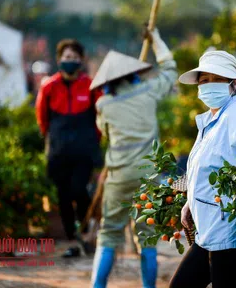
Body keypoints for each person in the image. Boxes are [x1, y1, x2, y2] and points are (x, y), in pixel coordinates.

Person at [169, 50, 236, 288]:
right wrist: (190, 203)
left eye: (217, 79)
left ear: (233, 84)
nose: (209, 85)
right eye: (204, 80)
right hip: (209, 231)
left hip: (229, 234)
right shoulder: (211, 120)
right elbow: (206, 169)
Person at [90, 28, 177, 288]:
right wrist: (157, 40)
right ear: (132, 74)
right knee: (147, 237)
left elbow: (103, 132)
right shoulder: (148, 91)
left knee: (108, 235)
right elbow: (170, 69)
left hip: (118, 177)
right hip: (148, 177)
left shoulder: (103, 105)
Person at [36, 39, 103, 257]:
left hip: (84, 151)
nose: (70, 61)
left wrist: (94, 141)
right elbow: (42, 119)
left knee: (78, 189)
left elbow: (101, 117)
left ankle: (84, 230)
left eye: (74, 58)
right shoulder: (49, 87)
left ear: (81, 60)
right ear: (59, 60)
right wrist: (53, 138)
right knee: (63, 197)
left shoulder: (91, 86)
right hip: (58, 151)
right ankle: (72, 241)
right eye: (66, 58)